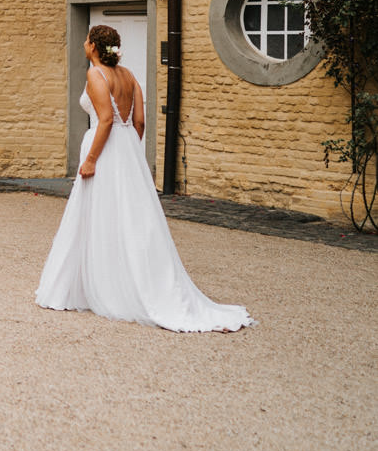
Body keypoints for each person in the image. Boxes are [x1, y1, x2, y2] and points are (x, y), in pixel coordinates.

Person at [36, 24, 254, 332]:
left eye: (87, 40)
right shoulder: (129, 76)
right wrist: (129, 154)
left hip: (104, 150)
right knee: (131, 217)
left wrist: (92, 159)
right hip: (127, 151)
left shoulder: (96, 75)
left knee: (99, 215)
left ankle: (101, 286)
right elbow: (138, 121)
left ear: (95, 47)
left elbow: (107, 119)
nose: (84, 44)